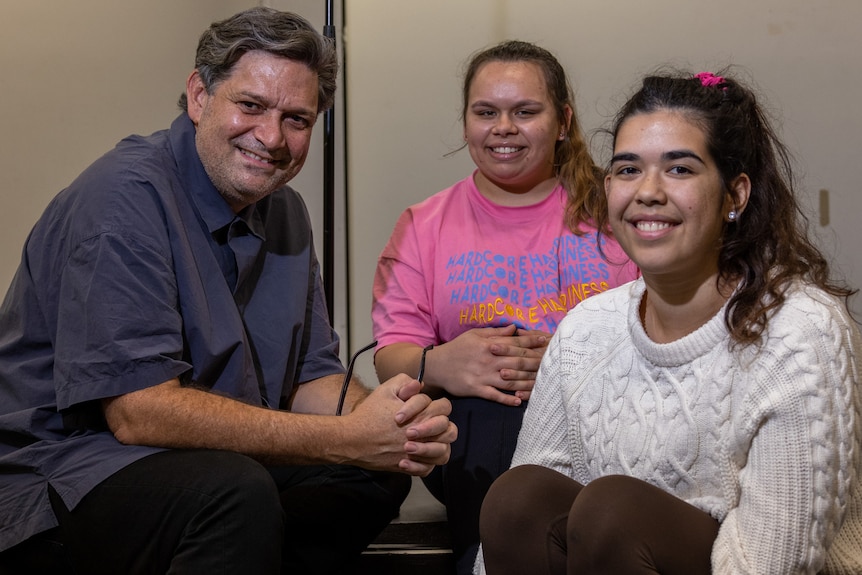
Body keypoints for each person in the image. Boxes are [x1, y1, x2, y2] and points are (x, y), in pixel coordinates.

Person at [0, 8, 456, 575]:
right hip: (70, 471)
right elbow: (139, 414)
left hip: (206, 460)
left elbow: (312, 377)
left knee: (376, 470)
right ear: (198, 96)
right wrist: (344, 437)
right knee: (234, 494)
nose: (272, 137)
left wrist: (391, 425)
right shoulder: (121, 199)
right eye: (251, 106)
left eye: (297, 118)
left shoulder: (285, 210)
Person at [476, 69, 862, 574]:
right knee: (518, 497)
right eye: (628, 170)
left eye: (679, 169)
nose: (648, 192)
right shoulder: (587, 328)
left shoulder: (799, 332)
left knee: (611, 512)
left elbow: (772, 564)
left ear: (735, 195)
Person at [372, 40, 638, 574]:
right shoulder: (424, 224)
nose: (503, 128)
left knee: (532, 404)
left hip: (602, 424)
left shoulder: (615, 214)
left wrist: (565, 368)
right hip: (474, 437)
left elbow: (663, 332)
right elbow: (389, 358)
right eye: (486, 112)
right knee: (495, 404)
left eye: (525, 111)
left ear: (562, 120)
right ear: (466, 120)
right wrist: (442, 364)